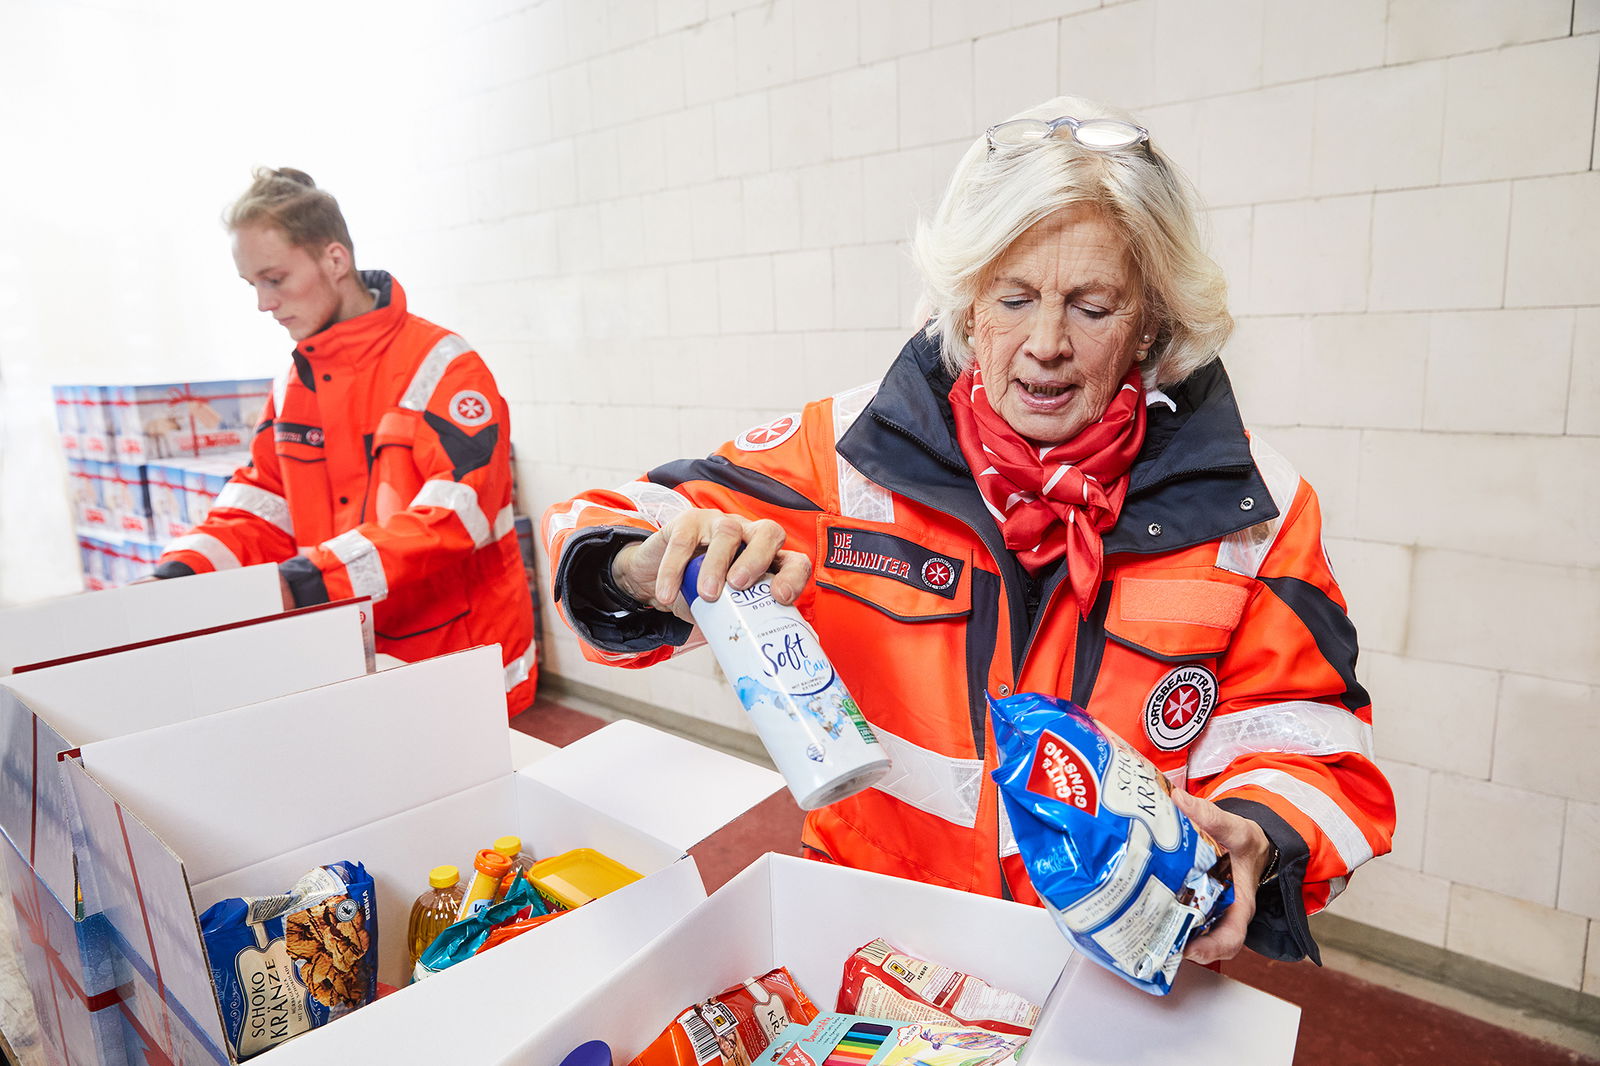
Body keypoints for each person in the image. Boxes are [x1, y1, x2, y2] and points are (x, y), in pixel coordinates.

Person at [542, 97, 1394, 964]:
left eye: (1093, 307)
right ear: (964, 303)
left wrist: (1255, 833)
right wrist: (642, 571)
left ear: (1152, 320)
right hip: (874, 949)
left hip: (1112, 976)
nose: (1046, 343)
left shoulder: (1256, 506)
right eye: (1014, 298)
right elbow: (610, 521)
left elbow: (1313, 749)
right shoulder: (846, 453)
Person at [156, 168, 536, 715]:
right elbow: (262, 504)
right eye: (252, 285)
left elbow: (455, 518)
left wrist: (312, 582)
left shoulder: (444, 368)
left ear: (334, 261)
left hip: (452, 663)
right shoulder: (295, 383)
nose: (264, 303)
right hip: (350, 658)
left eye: (275, 278)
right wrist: (182, 572)